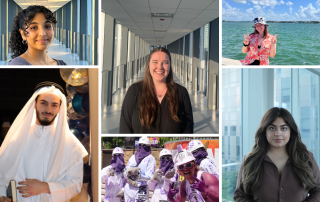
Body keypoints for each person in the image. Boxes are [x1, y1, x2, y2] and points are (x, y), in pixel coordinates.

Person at [0, 81, 88, 202]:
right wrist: (2, 196)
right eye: (43, 103)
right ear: (35, 104)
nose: (48, 110)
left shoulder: (71, 145)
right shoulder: (16, 140)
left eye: (54, 105)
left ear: (59, 109)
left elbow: (76, 185)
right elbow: (2, 176)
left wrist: (45, 187)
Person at [234, 107, 320, 202]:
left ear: (290, 131)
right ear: (264, 132)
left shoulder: (306, 158)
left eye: (283, 128)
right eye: (272, 128)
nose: (278, 133)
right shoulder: (250, 160)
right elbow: (240, 196)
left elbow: (318, 190)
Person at [119, 47, 193, 133]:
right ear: (148, 64)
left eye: (165, 63)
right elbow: (125, 127)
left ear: (170, 66)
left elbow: (188, 127)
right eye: (155, 62)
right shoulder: (134, 91)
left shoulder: (181, 93)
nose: (160, 67)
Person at [123, 136, 156, 202]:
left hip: (142, 189)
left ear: (148, 146)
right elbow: (124, 172)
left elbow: (149, 177)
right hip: (129, 188)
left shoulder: (151, 159)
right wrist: (127, 173)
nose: (142, 147)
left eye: (144, 145)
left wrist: (136, 174)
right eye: (140, 145)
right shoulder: (132, 157)